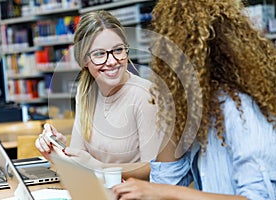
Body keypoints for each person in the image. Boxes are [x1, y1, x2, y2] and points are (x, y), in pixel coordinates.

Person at [113, 0, 276, 199]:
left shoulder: (240, 107)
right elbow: (164, 179)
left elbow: (259, 197)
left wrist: (163, 192)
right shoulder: (199, 109)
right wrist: (175, 111)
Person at [35, 10, 162, 181]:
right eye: (99, 54)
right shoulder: (85, 90)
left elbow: (155, 169)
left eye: (118, 50)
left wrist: (101, 168)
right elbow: (81, 162)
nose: (111, 61)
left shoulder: (146, 96)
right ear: (84, 60)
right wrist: (58, 150)